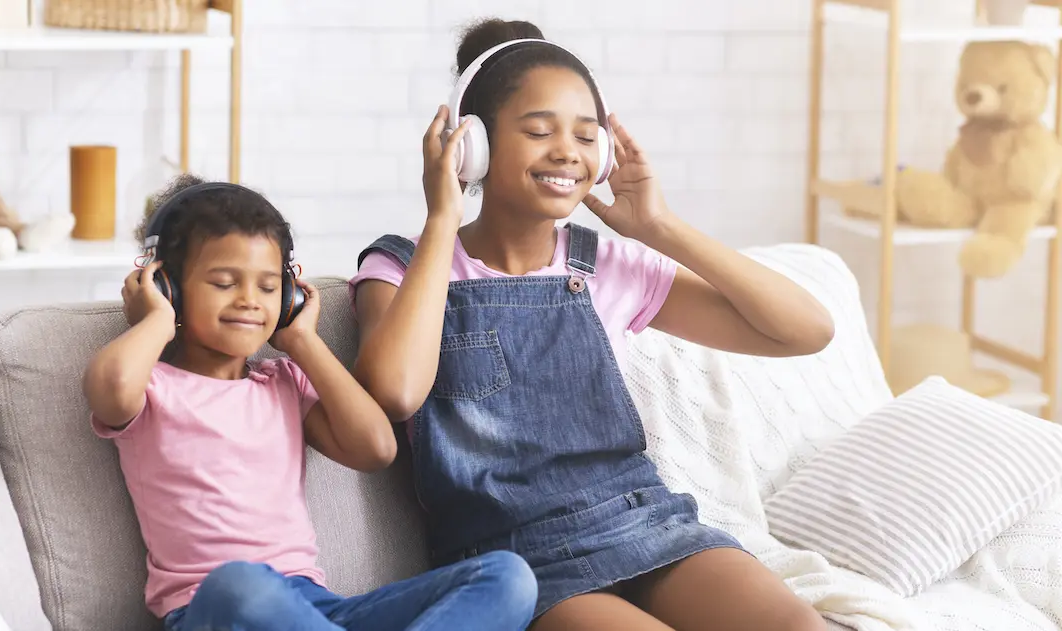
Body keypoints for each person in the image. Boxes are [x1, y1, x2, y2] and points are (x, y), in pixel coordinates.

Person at [349, 18, 834, 631]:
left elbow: (806, 331)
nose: (566, 153)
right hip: (518, 560)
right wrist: (442, 216)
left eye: (585, 137)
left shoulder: (606, 264)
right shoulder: (399, 266)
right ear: (472, 143)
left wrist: (660, 228)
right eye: (538, 131)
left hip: (647, 522)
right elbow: (393, 391)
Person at [83, 173, 539, 631]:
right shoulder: (152, 387)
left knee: (507, 576)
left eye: (267, 287)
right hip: (215, 607)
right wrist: (157, 320)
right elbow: (110, 389)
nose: (249, 301)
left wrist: (303, 341)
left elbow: (376, 447)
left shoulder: (283, 382)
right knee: (239, 583)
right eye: (224, 282)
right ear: (168, 287)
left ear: (289, 296)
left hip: (317, 609)